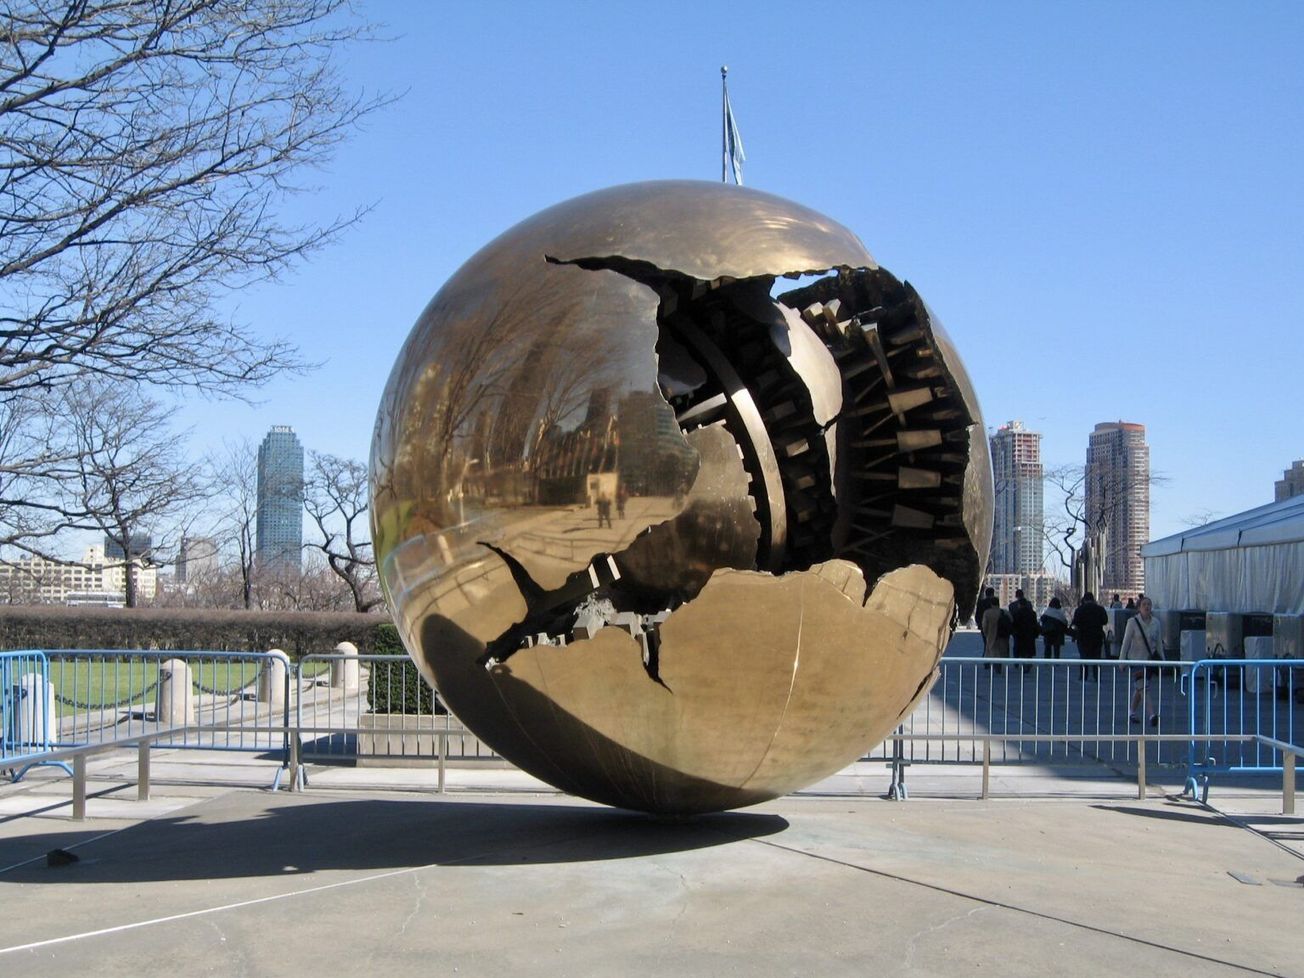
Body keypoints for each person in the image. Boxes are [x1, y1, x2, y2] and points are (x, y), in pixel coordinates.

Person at [1120, 596, 1163, 726]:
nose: (1146, 607)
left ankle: (1131, 712)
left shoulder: (1156, 623)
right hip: (1136, 660)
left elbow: (1159, 644)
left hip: (1149, 661)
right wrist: (1122, 660)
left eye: (1149, 604)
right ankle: (1152, 715)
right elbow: (1126, 642)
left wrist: (1163, 661)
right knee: (1143, 687)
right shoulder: (1132, 622)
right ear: (1139, 607)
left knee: (1140, 688)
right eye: (1144, 604)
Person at [1070, 591, 1109, 680]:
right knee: (1096, 657)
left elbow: (1075, 623)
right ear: (1093, 599)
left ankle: (1083, 675)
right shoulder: (1100, 609)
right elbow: (1105, 621)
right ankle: (1096, 676)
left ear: (1084, 600)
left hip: (1082, 636)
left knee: (1083, 657)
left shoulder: (1079, 610)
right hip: (1097, 636)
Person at [1009, 589, 1040, 671]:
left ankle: (1017, 662)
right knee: (1028, 647)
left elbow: (1012, 621)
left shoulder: (1012, 606)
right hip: (1029, 632)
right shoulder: (1031, 610)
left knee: (1017, 646)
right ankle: (1028, 663)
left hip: (1018, 632)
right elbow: (1034, 622)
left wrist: (1012, 631)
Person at [981, 600, 1010, 673]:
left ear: (991, 604)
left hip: (991, 635)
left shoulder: (987, 613)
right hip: (1003, 635)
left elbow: (984, 625)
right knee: (1000, 651)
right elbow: (1011, 620)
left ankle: (992, 664)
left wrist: (985, 633)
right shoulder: (1005, 612)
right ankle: (998, 666)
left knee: (992, 651)